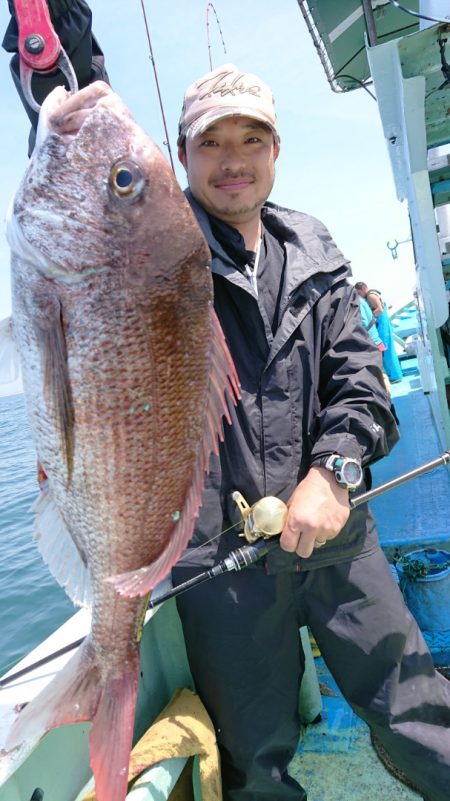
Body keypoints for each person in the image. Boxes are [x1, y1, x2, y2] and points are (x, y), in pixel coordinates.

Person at [3, 9, 450, 800]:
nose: (232, 161)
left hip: (336, 542)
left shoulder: (315, 248)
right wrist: (51, 34)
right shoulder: (158, 248)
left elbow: (361, 380)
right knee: (255, 759)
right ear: (180, 160)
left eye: (250, 140)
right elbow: (74, 112)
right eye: (210, 142)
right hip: (220, 568)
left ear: (276, 151)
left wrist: (335, 471)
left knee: (420, 712)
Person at [355, 282, 404, 382]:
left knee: (386, 349)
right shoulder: (371, 295)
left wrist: (371, 318)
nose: (359, 295)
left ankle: (395, 376)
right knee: (387, 348)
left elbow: (380, 309)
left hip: (382, 323)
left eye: (358, 293)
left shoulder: (370, 296)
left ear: (362, 289)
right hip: (382, 323)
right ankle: (395, 374)